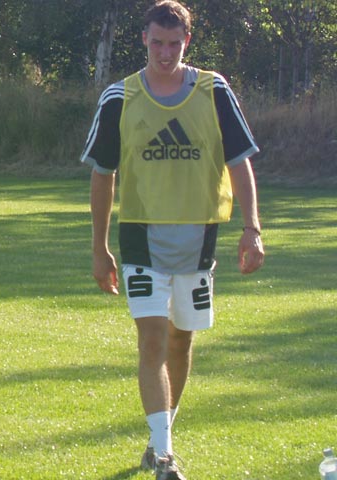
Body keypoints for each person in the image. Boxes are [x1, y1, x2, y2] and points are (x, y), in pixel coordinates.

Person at [81, 1, 265, 478]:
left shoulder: (213, 90)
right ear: (144, 38)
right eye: (158, 43)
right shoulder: (119, 97)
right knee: (152, 340)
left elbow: (239, 162)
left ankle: (157, 439)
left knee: (181, 342)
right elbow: (103, 175)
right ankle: (164, 456)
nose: (165, 53)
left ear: (187, 42)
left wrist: (252, 229)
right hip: (141, 238)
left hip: (199, 239)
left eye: (174, 44)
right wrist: (99, 248)